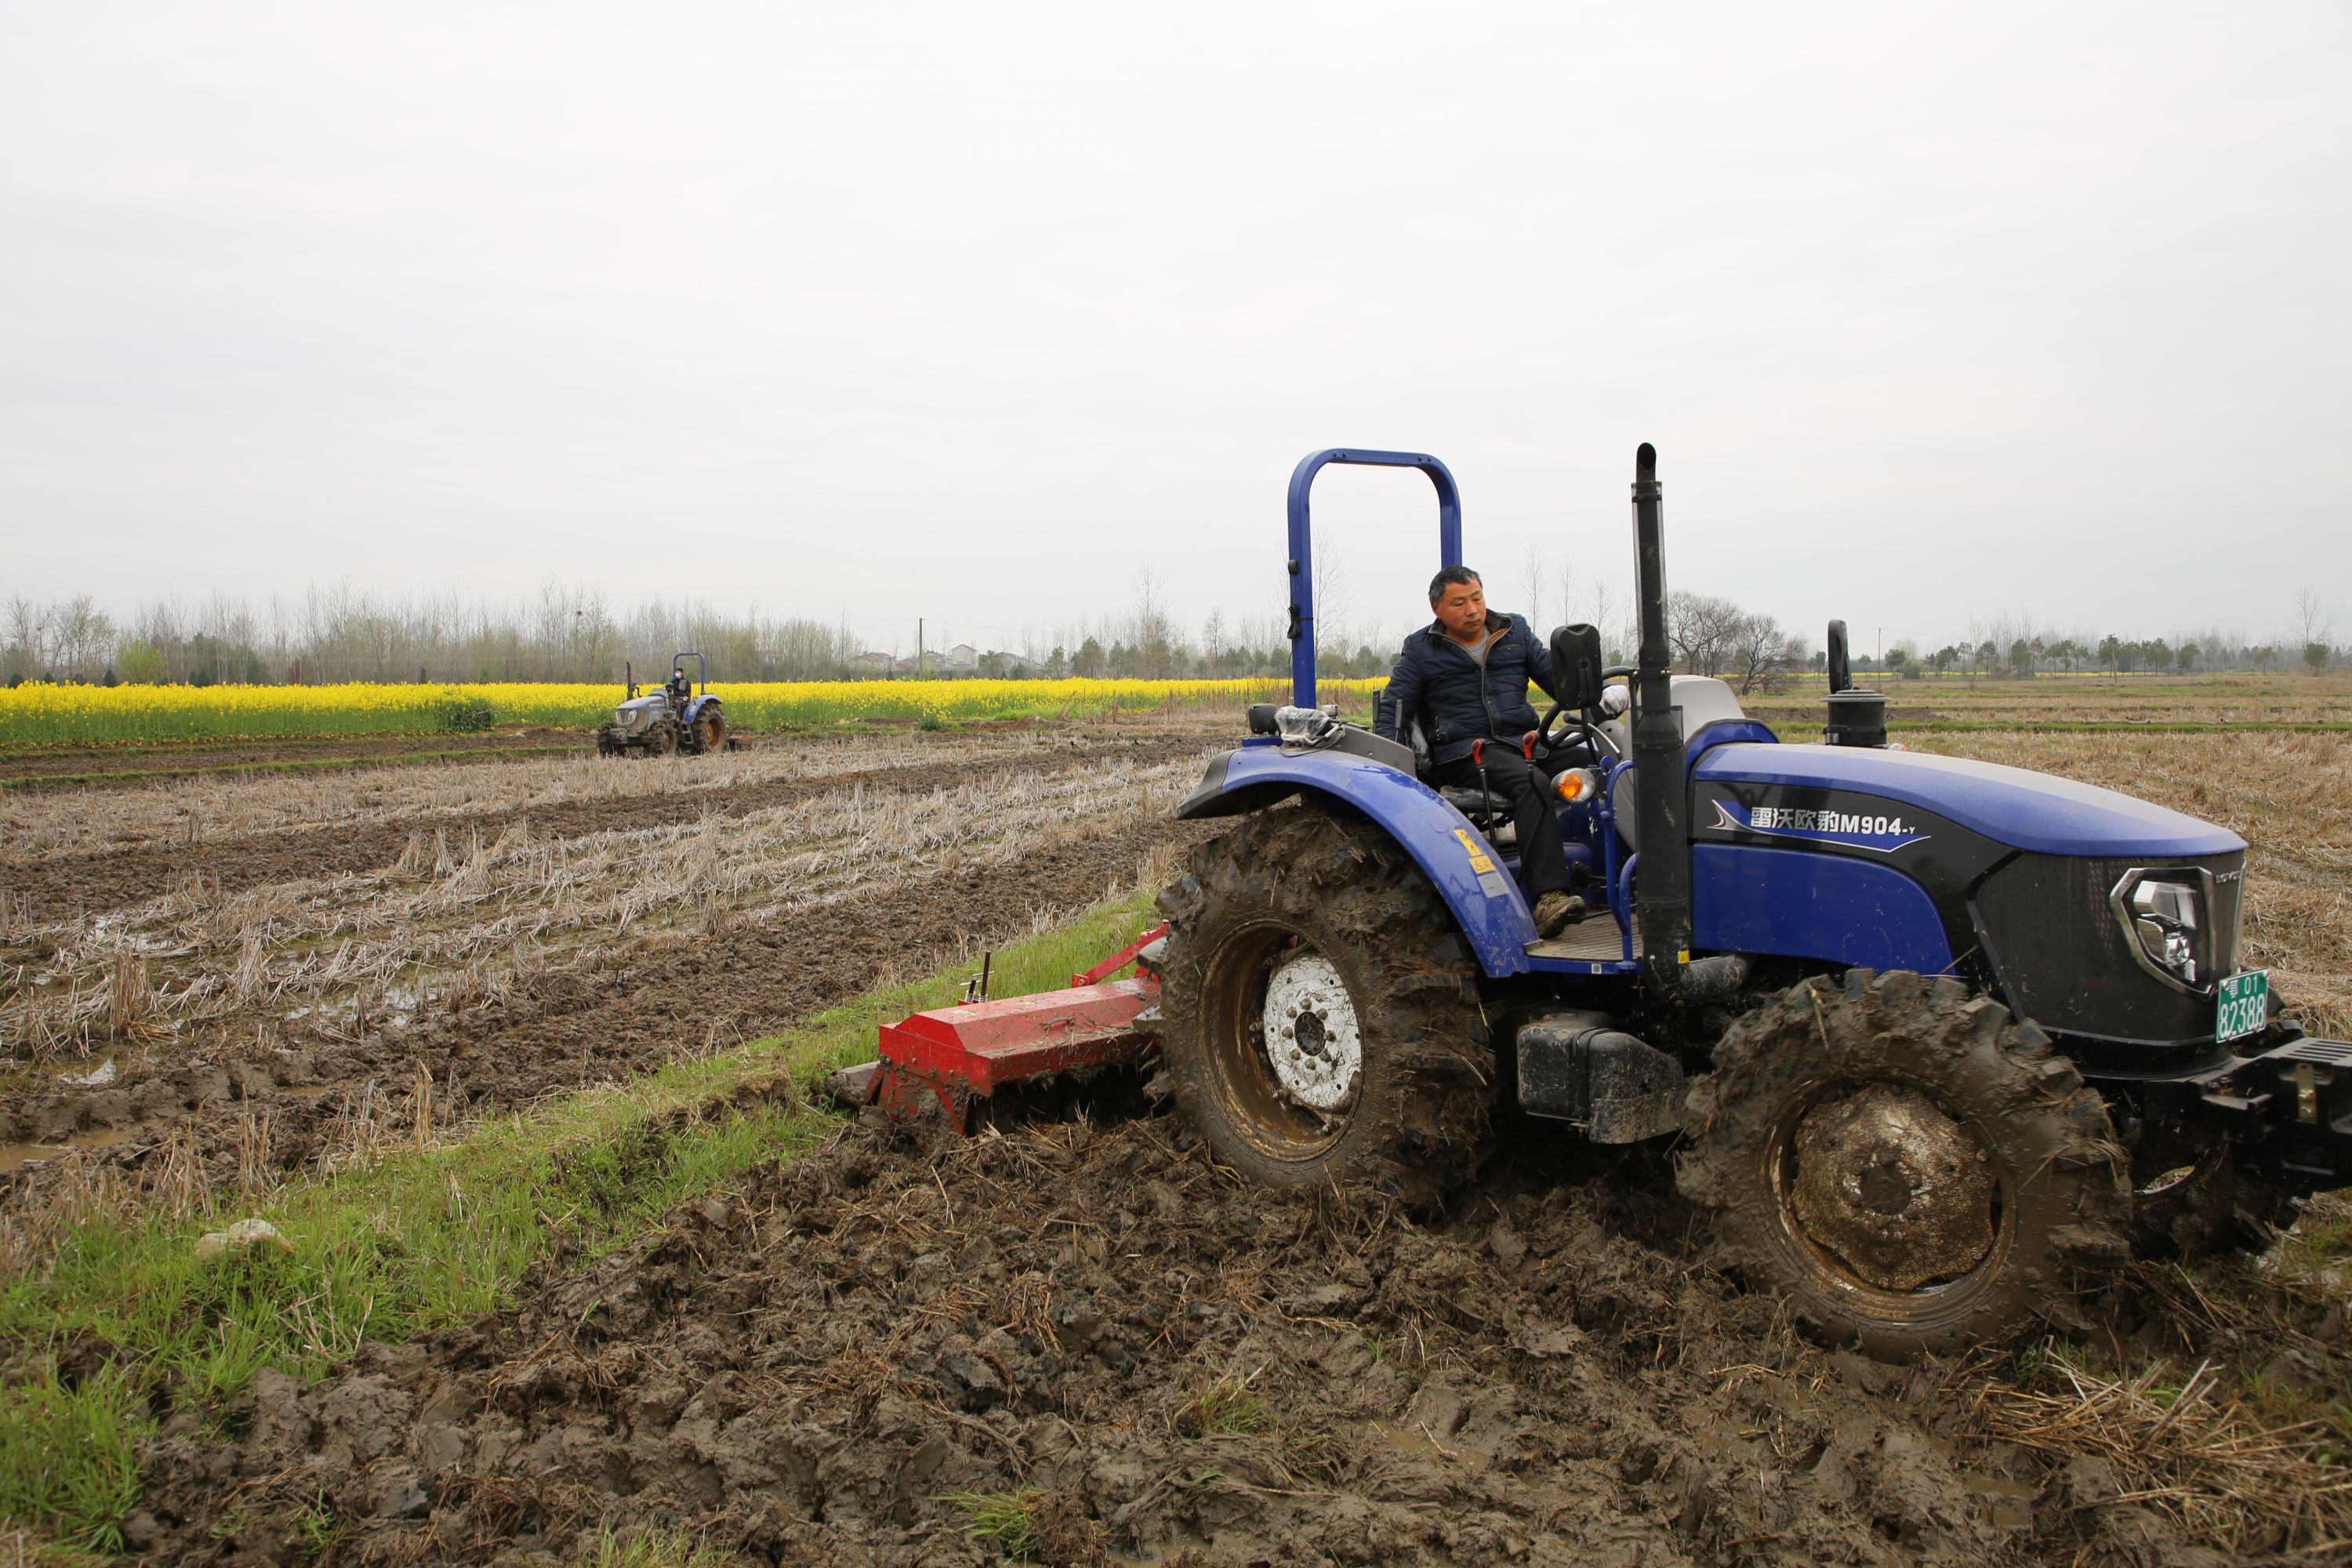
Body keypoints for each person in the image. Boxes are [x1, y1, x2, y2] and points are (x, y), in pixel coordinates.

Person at [1374, 565, 1582, 937]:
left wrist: (1592, 693)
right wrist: (1387, 763)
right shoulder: (1422, 649)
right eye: (1459, 603)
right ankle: (1549, 897)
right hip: (1465, 752)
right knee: (1532, 782)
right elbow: (1394, 706)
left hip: (1523, 742)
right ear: (1438, 609)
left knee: (1606, 760)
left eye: (1477, 598)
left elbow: (1559, 682)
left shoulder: (1514, 631)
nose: (1472, 610)